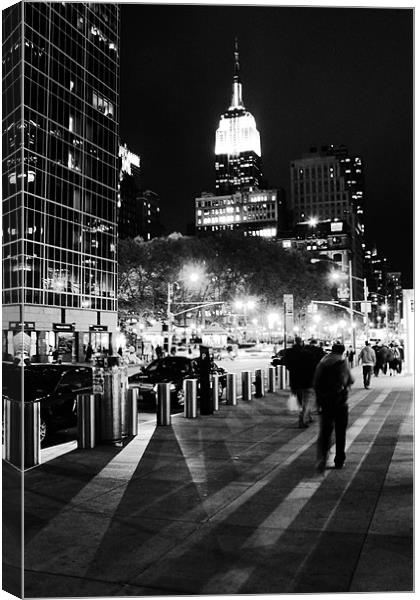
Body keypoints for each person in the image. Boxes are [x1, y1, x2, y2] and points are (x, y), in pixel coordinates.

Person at [314, 342, 354, 473]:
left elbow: (316, 382)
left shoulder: (322, 362)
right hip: (339, 402)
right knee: (340, 432)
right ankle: (339, 460)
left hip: (325, 402)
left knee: (325, 431)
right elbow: (350, 380)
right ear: (342, 351)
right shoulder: (342, 362)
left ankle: (322, 458)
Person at [284, 337, 317, 428]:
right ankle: (303, 417)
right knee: (307, 400)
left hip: (295, 381)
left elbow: (287, 365)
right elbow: (313, 367)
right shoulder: (308, 354)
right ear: (302, 343)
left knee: (300, 400)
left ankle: (307, 415)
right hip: (307, 381)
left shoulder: (289, 353)